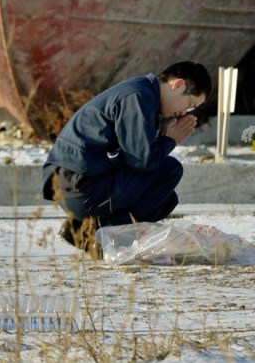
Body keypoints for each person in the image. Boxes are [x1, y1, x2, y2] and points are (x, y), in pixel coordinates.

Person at [42, 61, 212, 254]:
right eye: (189, 105)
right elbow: (142, 161)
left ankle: (93, 231)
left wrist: (161, 139)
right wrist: (168, 141)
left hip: (78, 184)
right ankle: (87, 231)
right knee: (169, 170)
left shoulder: (143, 94)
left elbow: (131, 156)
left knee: (166, 200)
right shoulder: (138, 97)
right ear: (178, 85)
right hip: (79, 186)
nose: (184, 113)